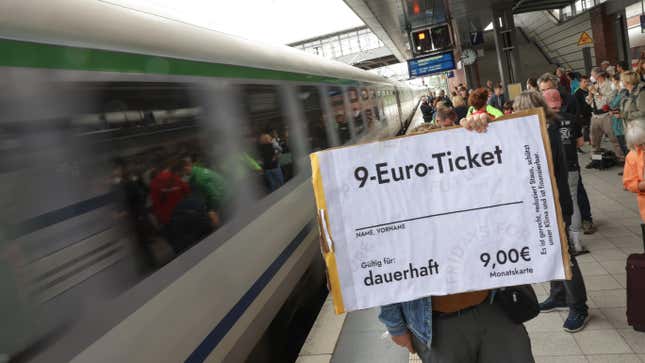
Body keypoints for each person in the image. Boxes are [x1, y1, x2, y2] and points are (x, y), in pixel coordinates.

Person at [380, 112, 535, 363]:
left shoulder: (472, 190)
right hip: (438, 328)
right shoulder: (399, 213)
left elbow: (510, 169)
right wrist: (395, 325)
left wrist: (484, 133)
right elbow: (386, 272)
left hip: (495, 309)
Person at [513, 91, 590, 333]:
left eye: (518, 111)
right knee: (552, 251)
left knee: (565, 256)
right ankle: (558, 295)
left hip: (553, 204)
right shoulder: (548, 128)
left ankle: (579, 307)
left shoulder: (545, 133)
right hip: (547, 203)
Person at [543, 89, 588, 255]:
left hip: (552, 169)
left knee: (554, 203)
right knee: (573, 200)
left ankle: (561, 240)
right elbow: (580, 143)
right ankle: (576, 242)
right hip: (571, 166)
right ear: (560, 102)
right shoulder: (572, 119)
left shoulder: (543, 122)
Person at [586, 67, 624, 163]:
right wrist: (590, 95)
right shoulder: (594, 85)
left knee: (614, 139)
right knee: (594, 140)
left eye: (592, 75)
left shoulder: (610, 85)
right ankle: (596, 160)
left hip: (606, 115)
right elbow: (589, 102)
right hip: (595, 115)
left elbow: (609, 101)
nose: (591, 77)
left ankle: (622, 159)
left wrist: (596, 92)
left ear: (598, 75)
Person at [623, 119, 645, 222]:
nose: (643, 147)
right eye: (639, 144)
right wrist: (642, 185)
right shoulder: (632, 156)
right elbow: (629, 183)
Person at [609, 74, 628, 158]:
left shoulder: (624, 92)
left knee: (626, 146)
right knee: (622, 145)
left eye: (613, 80)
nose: (612, 83)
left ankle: (630, 167)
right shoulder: (617, 92)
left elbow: (613, 104)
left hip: (622, 122)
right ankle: (627, 166)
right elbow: (610, 103)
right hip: (616, 122)